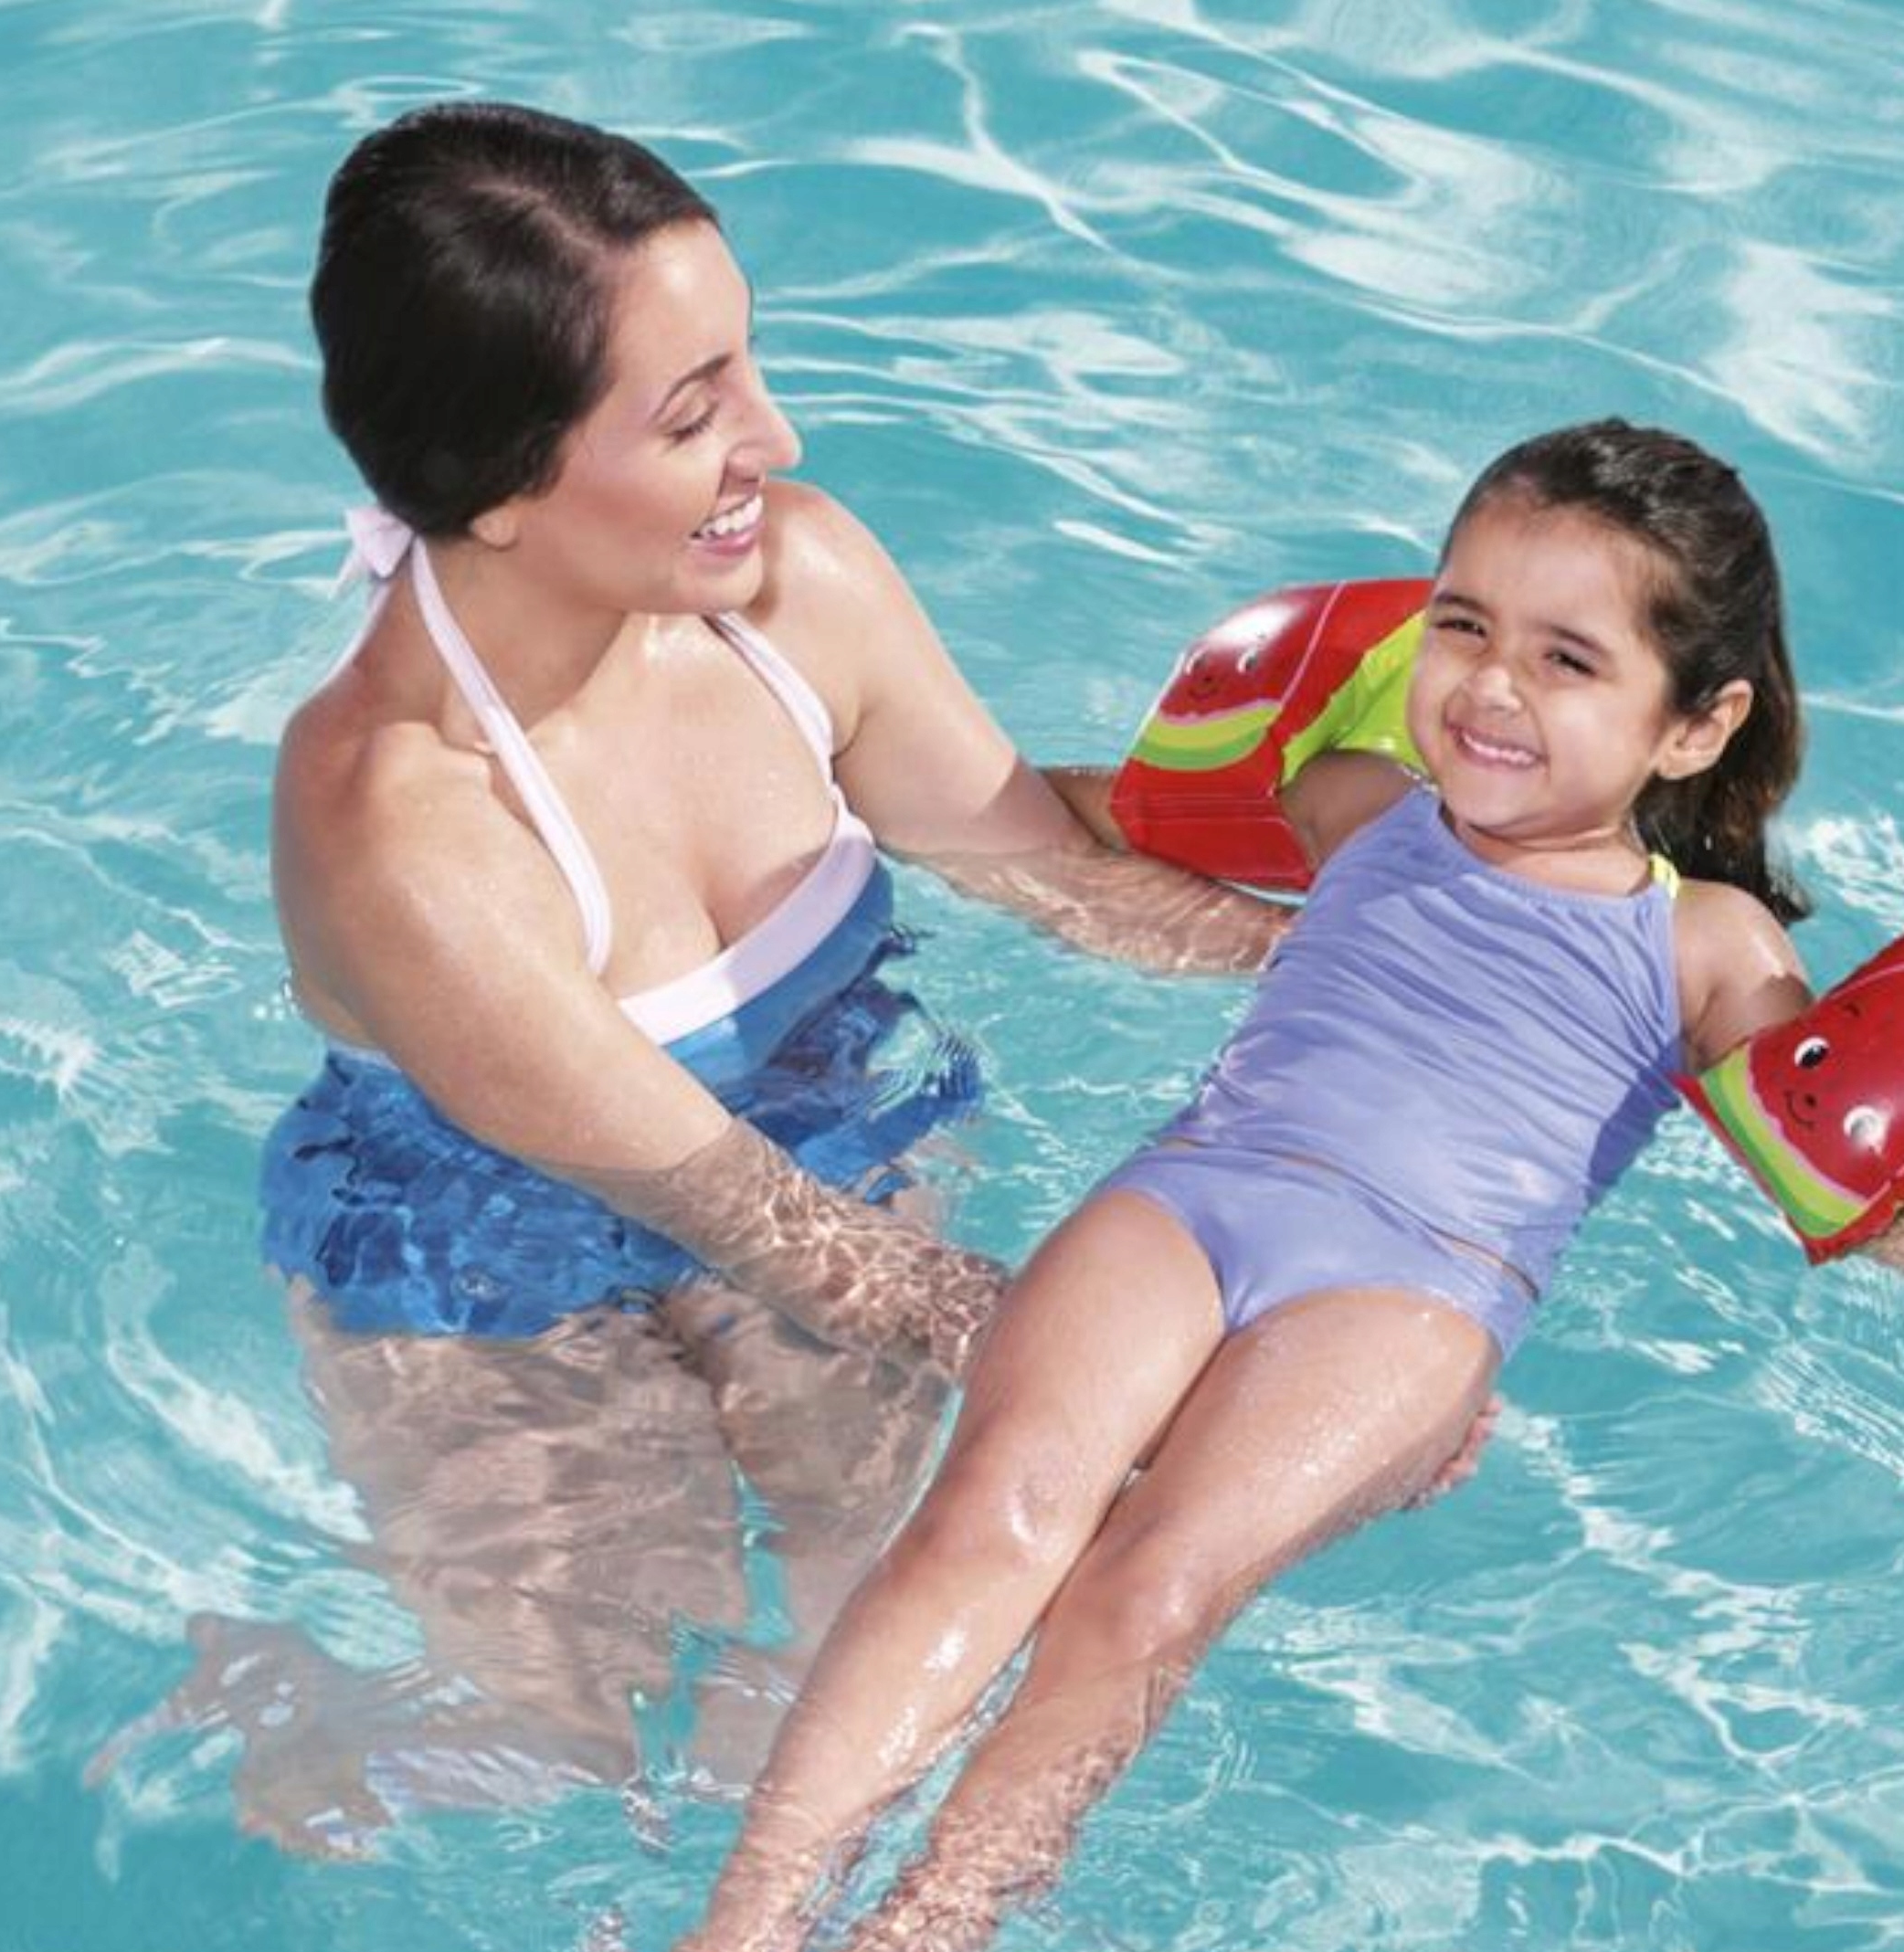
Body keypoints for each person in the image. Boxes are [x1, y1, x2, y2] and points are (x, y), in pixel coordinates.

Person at [600, 417, 1904, 1952]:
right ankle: (732, 1944)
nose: (1491, 686)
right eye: (1465, 623)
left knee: (1147, 1589)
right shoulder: (1356, 807)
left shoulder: (1707, 944)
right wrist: (858, 795)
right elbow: (1091, 825)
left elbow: (1837, 1166)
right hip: (1203, 1194)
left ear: (1695, 724)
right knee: (995, 1511)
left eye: (1569, 660)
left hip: (1414, 1289)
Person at [92, 100, 1299, 1852]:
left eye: (746, 366)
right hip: (488, 1257)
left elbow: (1052, 873)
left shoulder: (794, 589)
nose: (773, 438)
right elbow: (771, 1233)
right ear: (502, 490)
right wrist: (1185, 1378)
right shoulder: (402, 818)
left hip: (816, 1129)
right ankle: (297, 1708)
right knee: (574, 1741)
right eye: (691, 413)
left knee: (879, 1650)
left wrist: (1377, 956)